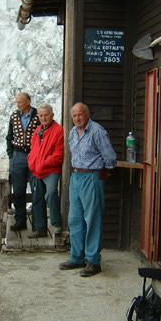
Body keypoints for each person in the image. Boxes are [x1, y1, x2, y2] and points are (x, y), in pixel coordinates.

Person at [59, 102, 117, 277]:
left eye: (80, 115)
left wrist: (103, 172)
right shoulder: (71, 133)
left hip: (92, 177)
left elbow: (111, 157)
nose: (77, 118)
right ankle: (76, 257)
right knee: (75, 219)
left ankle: (93, 261)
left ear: (87, 114)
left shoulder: (97, 131)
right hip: (76, 176)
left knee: (92, 219)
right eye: (74, 116)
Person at [27, 103, 64, 238]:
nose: (43, 118)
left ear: (52, 115)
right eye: (41, 115)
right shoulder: (37, 131)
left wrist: (42, 163)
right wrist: (32, 162)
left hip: (50, 170)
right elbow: (32, 151)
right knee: (37, 199)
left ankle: (56, 223)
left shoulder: (59, 131)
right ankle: (40, 229)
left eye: (46, 115)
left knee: (51, 193)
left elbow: (58, 155)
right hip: (37, 170)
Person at [6, 92, 40, 231]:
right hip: (18, 155)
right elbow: (9, 136)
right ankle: (20, 220)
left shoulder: (38, 115)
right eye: (17, 102)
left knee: (36, 188)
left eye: (20, 102)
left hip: (34, 154)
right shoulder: (14, 116)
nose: (18, 104)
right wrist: (11, 155)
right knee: (18, 190)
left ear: (28, 102)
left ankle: (38, 222)